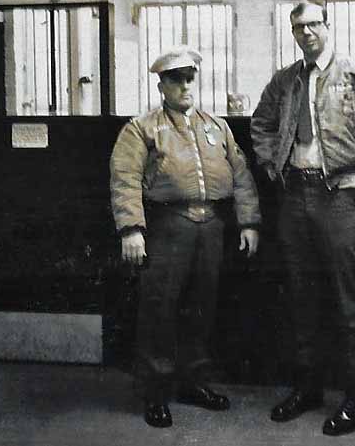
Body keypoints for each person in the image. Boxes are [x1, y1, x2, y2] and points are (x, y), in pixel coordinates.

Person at [250, 0, 355, 436]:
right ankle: (309, 388)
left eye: (314, 24)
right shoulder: (285, 80)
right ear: (293, 32)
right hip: (294, 196)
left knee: (347, 298)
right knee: (302, 296)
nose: (307, 33)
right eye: (298, 27)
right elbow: (261, 124)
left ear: (327, 25)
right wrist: (271, 164)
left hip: (339, 197)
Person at [110, 45, 261, 428]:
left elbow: (241, 176)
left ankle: (194, 382)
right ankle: (156, 392)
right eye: (176, 79)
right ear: (162, 85)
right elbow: (125, 179)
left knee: (202, 307)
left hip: (211, 228)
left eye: (190, 78)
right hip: (167, 228)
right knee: (159, 309)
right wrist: (132, 230)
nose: (185, 86)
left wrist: (248, 222)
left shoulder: (217, 126)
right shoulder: (141, 128)